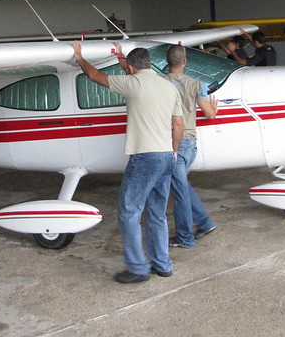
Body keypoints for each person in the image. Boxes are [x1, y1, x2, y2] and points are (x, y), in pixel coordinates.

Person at [73, 41, 183, 284]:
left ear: (131, 69)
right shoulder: (169, 87)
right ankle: (162, 264)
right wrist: (174, 152)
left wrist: (79, 57)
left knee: (129, 211)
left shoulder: (132, 84)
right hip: (166, 155)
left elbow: (94, 76)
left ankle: (137, 268)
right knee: (157, 213)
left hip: (144, 157)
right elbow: (178, 125)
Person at [164, 44, 218, 248]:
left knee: (179, 189)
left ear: (167, 63)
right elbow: (210, 114)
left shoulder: (161, 82)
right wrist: (214, 107)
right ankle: (204, 223)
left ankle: (185, 237)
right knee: (182, 186)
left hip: (172, 143)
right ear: (185, 62)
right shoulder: (197, 84)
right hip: (190, 143)